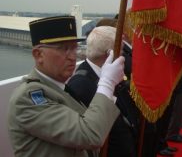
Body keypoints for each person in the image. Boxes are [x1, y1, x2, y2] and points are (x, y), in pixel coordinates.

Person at [8, 16, 125, 157]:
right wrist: (107, 82)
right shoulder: (27, 98)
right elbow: (89, 135)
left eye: (74, 48)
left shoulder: (61, 89)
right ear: (38, 55)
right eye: (64, 49)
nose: (72, 56)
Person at [67, 26, 136, 157]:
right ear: (109, 54)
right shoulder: (80, 85)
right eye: (120, 50)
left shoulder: (108, 74)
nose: (122, 55)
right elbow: (89, 134)